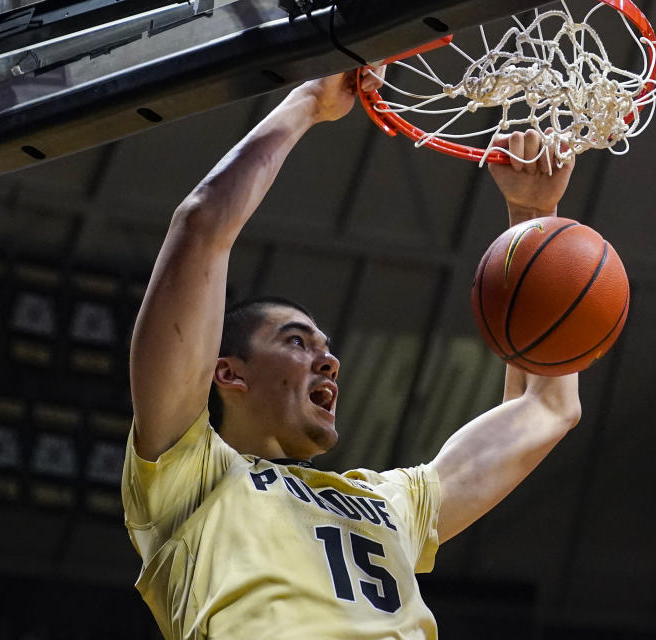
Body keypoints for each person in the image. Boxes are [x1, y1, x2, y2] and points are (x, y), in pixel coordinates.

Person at [122, 66, 580, 639]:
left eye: (326, 348)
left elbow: (548, 407)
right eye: (295, 340)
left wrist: (533, 220)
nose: (328, 359)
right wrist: (310, 100)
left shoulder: (390, 502)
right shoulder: (186, 476)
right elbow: (202, 223)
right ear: (228, 373)